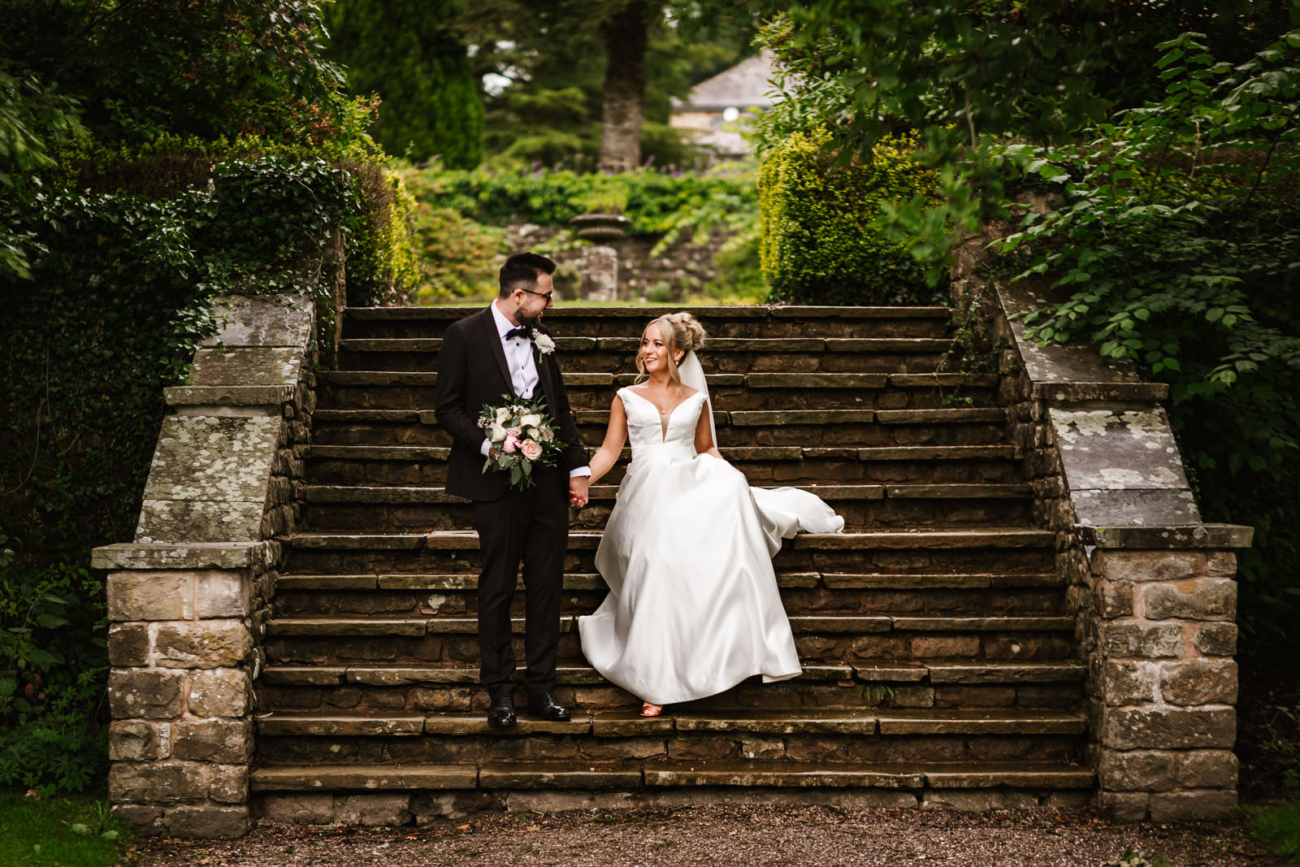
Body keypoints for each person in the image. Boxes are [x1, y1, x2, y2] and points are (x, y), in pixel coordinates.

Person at [576, 312, 845, 717]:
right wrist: (582, 481)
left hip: (690, 484)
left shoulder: (696, 399)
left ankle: (708, 660)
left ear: (677, 352)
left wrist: (732, 476)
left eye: (657, 344)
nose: (647, 351)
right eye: (645, 343)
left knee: (704, 545)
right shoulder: (626, 397)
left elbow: (707, 450)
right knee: (657, 560)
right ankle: (653, 675)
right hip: (647, 490)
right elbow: (610, 452)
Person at [433, 252, 591, 728]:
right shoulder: (462, 336)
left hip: (546, 483)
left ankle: (542, 688)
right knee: (497, 588)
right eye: (545, 295)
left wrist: (577, 467)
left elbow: (560, 409)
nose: (549, 304)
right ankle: (499, 692)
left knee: (547, 587)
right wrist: (490, 444)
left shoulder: (543, 341)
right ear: (519, 295)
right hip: (494, 483)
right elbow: (448, 408)